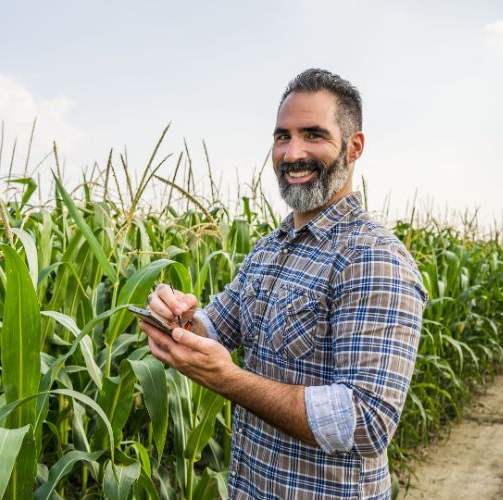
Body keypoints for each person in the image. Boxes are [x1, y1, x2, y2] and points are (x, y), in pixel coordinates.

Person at [140, 68, 428, 499]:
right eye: (282, 136)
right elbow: (217, 326)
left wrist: (228, 380)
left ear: (355, 146)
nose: (292, 153)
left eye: (313, 135)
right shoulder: (269, 249)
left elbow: (366, 421)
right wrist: (177, 318)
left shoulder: (373, 258)